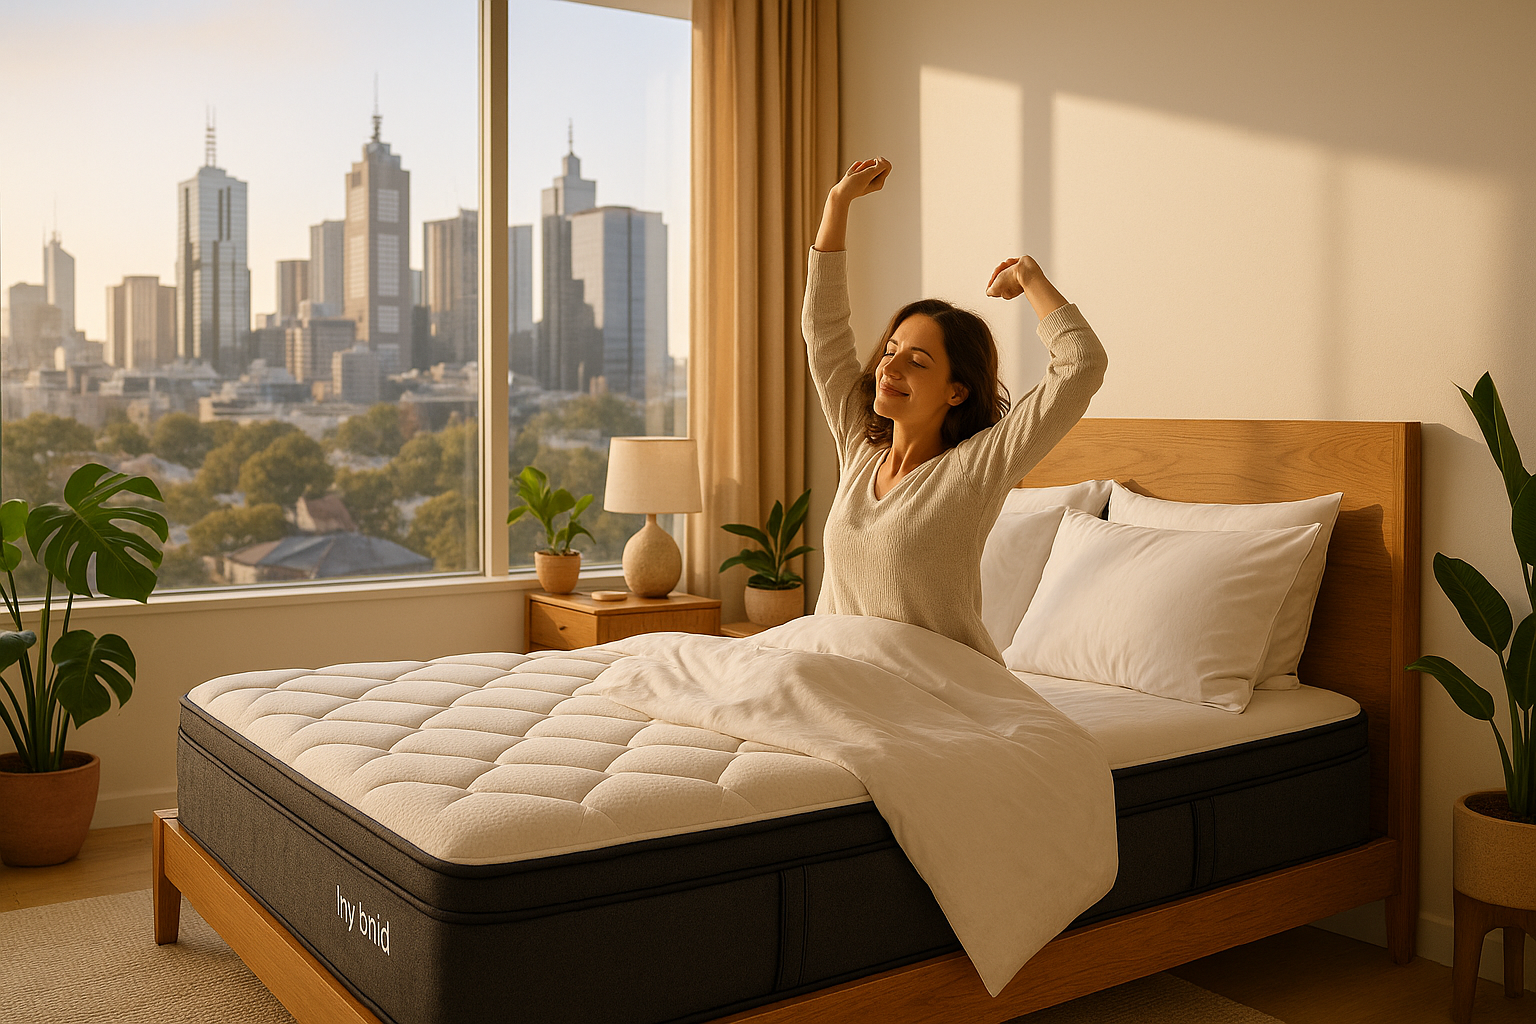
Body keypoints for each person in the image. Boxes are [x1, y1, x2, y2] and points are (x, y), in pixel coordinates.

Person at [805, 156, 1108, 663]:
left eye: (917, 361)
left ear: (957, 391)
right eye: (890, 350)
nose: (889, 367)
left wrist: (1030, 279)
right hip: (834, 677)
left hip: (927, 691)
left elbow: (1081, 364)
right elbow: (824, 332)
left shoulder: (972, 469)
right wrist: (838, 205)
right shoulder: (859, 446)